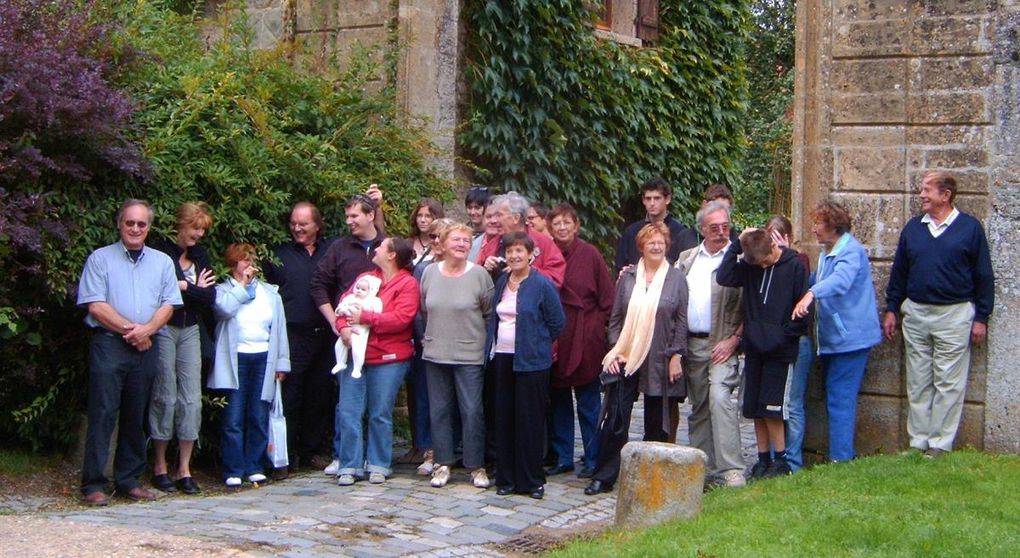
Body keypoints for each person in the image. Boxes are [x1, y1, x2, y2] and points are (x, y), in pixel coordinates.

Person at [76, 199, 182, 506]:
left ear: (148, 228)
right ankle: (94, 483)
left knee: (137, 415)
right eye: (130, 223)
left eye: (141, 224)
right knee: (103, 412)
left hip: (148, 345)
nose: (135, 228)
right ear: (119, 224)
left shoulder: (162, 262)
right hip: (109, 344)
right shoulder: (100, 259)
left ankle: (128, 480)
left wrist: (146, 331)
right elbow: (95, 304)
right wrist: (132, 331)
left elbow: (169, 304)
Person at [883, 171, 994, 458]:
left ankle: (940, 443)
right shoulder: (913, 228)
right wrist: (892, 308)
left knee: (948, 382)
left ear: (945, 195)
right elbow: (899, 273)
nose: (921, 195)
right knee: (918, 380)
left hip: (954, 315)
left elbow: (984, 275)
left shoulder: (969, 228)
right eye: (922, 190)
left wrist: (981, 317)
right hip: (917, 312)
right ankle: (917, 441)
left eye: (927, 190)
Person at [585, 223, 689, 495]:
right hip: (627, 354)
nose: (656, 246)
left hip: (660, 357)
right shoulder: (628, 277)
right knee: (617, 415)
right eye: (650, 242)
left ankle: (649, 476)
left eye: (661, 242)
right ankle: (605, 475)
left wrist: (676, 355)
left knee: (657, 420)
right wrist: (616, 349)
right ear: (641, 246)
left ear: (667, 245)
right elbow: (616, 318)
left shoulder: (676, 278)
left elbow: (681, 321)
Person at [792, 201, 882, 463]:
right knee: (835, 397)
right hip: (833, 340)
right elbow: (816, 279)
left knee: (840, 399)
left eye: (818, 223)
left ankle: (841, 460)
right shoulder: (826, 252)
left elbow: (840, 282)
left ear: (833, 226)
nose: (814, 228)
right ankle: (839, 456)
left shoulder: (850, 251)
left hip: (850, 340)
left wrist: (811, 294)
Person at [717, 228, 809, 480]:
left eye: (766, 260)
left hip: (780, 350)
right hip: (755, 348)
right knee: (756, 407)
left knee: (773, 408)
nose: (763, 265)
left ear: (773, 247)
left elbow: (802, 307)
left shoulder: (794, 266)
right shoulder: (751, 265)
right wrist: (736, 245)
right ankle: (763, 458)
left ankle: (780, 459)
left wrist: (784, 335)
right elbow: (724, 276)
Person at [311, 194, 387, 475]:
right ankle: (344, 455)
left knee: (378, 402)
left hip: (381, 333)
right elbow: (319, 284)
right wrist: (335, 322)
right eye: (347, 216)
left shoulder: (387, 246)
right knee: (348, 399)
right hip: (348, 330)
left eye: (354, 216)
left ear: (371, 215)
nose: (349, 221)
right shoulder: (339, 248)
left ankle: (375, 458)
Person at [334, 238, 420, 485]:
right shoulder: (366, 277)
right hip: (355, 355)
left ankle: (379, 463)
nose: (376, 249)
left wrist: (366, 317)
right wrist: (343, 329)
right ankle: (348, 465)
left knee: (380, 413)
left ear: (392, 255)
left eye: (382, 247)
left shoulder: (408, 284)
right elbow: (344, 306)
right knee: (349, 411)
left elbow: (401, 319)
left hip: (389, 358)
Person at [487, 232, 565, 499]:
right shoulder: (501, 282)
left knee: (529, 421)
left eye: (520, 250)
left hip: (532, 362)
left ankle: (532, 480)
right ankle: (507, 478)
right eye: (510, 251)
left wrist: (537, 343)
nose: (514, 255)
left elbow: (557, 323)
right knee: (505, 419)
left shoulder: (542, 284)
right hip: (502, 359)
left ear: (531, 254)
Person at [147, 202, 216, 495]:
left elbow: (209, 297)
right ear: (181, 225)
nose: (198, 234)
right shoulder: (162, 250)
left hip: (191, 329)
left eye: (202, 230)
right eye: (194, 228)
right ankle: (159, 465)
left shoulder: (201, 255)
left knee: (191, 398)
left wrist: (187, 287)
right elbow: (161, 292)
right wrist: (191, 289)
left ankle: (184, 468)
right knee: (165, 395)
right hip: (164, 326)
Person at [419, 223, 495, 489]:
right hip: (436, 352)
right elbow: (425, 309)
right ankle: (443, 463)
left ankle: (476, 465)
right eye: (456, 240)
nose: (462, 244)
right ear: (442, 243)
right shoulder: (429, 273)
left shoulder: (480, 275)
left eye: (466, 240)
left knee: (472, 410)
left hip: (469, 354)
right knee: (439, 410)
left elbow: (488, 314)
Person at [263, 202, 337, 474]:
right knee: (290, 396)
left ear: (317, 225)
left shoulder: (332, 250)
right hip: (292, 334)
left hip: (325, 335)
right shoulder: (278, 254)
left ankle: (311, 451)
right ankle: (284, 455)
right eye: (294, 223)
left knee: (319, 395)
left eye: (303, 223)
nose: (297, 228)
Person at [676, 201, 745, 487]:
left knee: (719, 399)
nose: (720, 232)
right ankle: (703, 470)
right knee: (700, 406)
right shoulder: (687, 259)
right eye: (713, 227)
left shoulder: (740, 260)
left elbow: (750, 306)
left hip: (723, 343)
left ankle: (732, 470)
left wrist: (735, 340)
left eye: (725, 226)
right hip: (693, 344)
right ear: (702, 229)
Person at [209, 243, 289, 487]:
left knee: (258, 413)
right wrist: (242, 286)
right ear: (233, 264)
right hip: (236, 359)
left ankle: (254, 465)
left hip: (263, 357)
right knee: (233, 415)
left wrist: (282, 363)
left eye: (251, 259)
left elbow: (279, 330)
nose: (248, 263)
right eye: (243, 259)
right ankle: (233, 468)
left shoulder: (270, 293)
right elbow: (223, 311)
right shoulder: (223, 291)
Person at [546, 204, 614, 479]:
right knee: (559, 400)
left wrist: (599, 330)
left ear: (576, 226)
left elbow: (607, 299)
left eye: (567, 223)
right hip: (557, 335)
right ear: (550, 228)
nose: (562, 228)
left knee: (588, 401)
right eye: (557, 224)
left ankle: (593, 455)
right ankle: (563, 456)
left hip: (586, 334)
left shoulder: (590, 254)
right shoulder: (546, 255)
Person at [405, 218, 456, 474]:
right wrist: (421, 337)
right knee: (427, 397)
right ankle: (429, 448)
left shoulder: (463, 268)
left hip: (455, 342)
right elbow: (416, 307)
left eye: (440, 236)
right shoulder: (422, 269)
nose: (435, 241)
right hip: (426, 341)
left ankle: (451, 448)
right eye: (433, 236)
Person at [765, 215, 814, 472]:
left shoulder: (799, 261)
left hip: (796, 341)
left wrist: (786, 253)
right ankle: (776, 458)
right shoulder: (763, 264)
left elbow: (800, 285)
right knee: (774, 404)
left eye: (778, 236)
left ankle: (792, 462)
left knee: (793, 403)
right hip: (773, 343)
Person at [478, 192, 566, 287]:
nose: (495, 220)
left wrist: (525, 271)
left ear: (516, 218)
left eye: (499, 215)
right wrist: (485, 267)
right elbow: (477, 281)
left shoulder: (543, 243)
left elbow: (556, 279)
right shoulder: (493, 244)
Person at [614, 177, 691, 272]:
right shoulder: (631, 232)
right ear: (643, 200)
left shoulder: (680, 233)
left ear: (667, 199)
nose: (652, 203)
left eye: (657, 198)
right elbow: (620, 266)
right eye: (648, 198)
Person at [330, 275, 383, 378]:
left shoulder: (373, 301)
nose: (359, 291)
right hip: (348, 325)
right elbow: (340, 307)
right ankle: (340, 362)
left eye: (363, 289)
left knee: (358, 349)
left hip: (361, 329)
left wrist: (364, 308)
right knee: (339, 346)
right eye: (357, 288)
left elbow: (377, 311)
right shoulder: (349, 298)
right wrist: (341, 311)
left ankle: (357, 368)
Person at [675, 183, 741, 253]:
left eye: (726, 209)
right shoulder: (684, 237)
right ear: (704, 205)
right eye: (715, 207)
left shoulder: (736, 240)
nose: (720, 213)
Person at [409, 198, 444, 265]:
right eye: (419, 215)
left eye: (428, 216)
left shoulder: (444, 246)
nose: (422, 220)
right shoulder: (408, 244)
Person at [466, 185, 493, 262]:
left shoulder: (493, 235)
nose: (472, 212)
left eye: (477, 208)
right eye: (469, 207)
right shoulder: (462, 232)